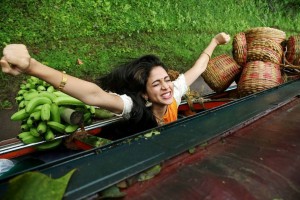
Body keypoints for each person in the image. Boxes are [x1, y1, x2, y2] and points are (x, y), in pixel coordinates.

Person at [1, 32, 230, 137]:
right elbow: (94, 96)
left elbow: (199, 68)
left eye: (167, 81)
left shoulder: (175, 93)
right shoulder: (134, 107)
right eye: (157, 84)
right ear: (146, 94)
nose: (167, 87)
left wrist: (214, 41)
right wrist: (32, 67)